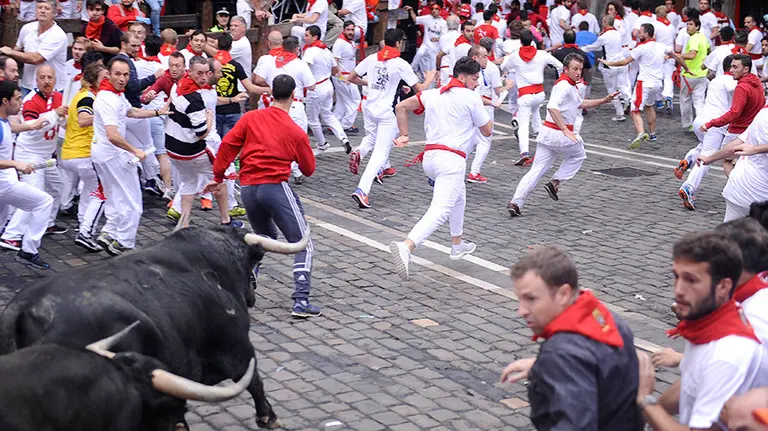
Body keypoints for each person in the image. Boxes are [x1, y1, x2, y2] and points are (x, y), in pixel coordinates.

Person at [205, 74, 320, 318]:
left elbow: (227, 145)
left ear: (269, 94)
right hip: (274, 187)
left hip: (248, 189)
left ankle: (247, 278)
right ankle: (301, 300)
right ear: (292, 96)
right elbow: (309, 169)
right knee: (303, 243)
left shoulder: (251, 117)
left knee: (263, 237)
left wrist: (218, 176)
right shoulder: (294, 130)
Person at [499, 246, 643, 430]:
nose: (521, 311)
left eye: (531, 299)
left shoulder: (562, 354)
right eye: (519, 299)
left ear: (563, 294)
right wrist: (543, 366)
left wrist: (555, 363)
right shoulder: (606, 319)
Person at [635, 231, 768, 430]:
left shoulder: (726, 354)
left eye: (691, 280)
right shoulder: (707, 325)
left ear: (723, 286)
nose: (678, 289)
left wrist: (646, 401)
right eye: (676, 276)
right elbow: (691, 385)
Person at [388, 57, 492, 280]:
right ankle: (407, 245)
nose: (477, 83)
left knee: (459, 195)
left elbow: (401, 106)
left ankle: (457, 243)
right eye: (475, 79)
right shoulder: (471, 97)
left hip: (430, 158)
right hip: (450, 160)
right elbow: (487, 131)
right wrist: (482, 107)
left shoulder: (433, 93)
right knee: (440, 209)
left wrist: (405, 134)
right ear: (462, 77)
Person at [507, 54, 616, 217]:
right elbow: (552, 107)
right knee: (578, 156)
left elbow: (580, 103)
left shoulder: (570, 85)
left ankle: (516, 202)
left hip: (547, 134)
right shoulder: (564, 85)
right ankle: (555, 181)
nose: (578, 72)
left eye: (580, 69)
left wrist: (603, 100)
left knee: (536, 170)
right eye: (575, 69)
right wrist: (565, 129)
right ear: (565, 69)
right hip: (559, 134)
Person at [347, 28, 434, 208]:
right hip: (386, 113)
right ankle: (362, 189)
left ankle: (361, 152)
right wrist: (429, 79)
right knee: (380, 152)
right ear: (398, 43)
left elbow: (351, 77)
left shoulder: (372, 58)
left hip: (369, 108)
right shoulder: (400, 64)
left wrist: (369, 83)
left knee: (371, 138)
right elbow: (421, 90)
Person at [90, 57, 168, 256]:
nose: (122, 78)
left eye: (126, 75)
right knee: (133, 201)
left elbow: (131, 112)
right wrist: (135, 150)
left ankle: (109, 233)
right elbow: (113, 135)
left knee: (115, 196)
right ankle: (123, 242)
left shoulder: (115, 94)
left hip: (104, 154)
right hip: (112, 154)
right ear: (108, 74)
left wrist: (158, 112)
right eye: (118, 74)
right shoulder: (107, 98)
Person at [165, 56, 239, 230]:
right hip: (191, 150)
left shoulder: (179, 86)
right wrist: (210, 118)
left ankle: (183, 223)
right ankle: (226, 220)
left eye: (206, 73)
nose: (204, 77)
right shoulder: (195, 99)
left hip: (172, 149)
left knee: (190, 181)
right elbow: (201, 133)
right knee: (220, 176)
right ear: (189, 72)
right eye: (199, 73)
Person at [0, 65, 67, 255]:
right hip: (27, 155)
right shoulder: (30, 101)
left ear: (55, 79)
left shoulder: (59, 98)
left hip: (45, 155)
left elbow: (21, 127)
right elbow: (32, 125)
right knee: (35, 197)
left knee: (57, 187)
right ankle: (13, 235)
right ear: (36, 80)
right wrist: (54, 115)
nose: (46, 81)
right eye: (42, 77)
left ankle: (46, 222)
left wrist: (63, 120)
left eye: (50, 77)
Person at [600, 23, 682, 148]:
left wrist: (608, 62)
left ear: (646, 34)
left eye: (640, 32)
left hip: (644, 83)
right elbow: (677, 56)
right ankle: (653, 133)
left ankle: (641, 133)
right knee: (649, 106)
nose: (638, 34)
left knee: (634, 109)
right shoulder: (661, 46)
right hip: (657, 84)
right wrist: (687, 68)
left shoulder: (641, 48)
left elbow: (624, 62)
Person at [675, 56, 736, 211]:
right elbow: (734, 90)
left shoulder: (716, 79)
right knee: (708, 156)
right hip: (714, 124)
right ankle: (689, 186)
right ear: (732, 67)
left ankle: (688, 159)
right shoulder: (730, 81)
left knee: (704, 147)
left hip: (701, 120)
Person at [60, 63, 109, 252]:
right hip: (82, 155)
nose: (107, 81)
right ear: (93, 81)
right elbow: (83, 119)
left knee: (90, 191)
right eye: (104, 78)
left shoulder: (81, 94)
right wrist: (104, 115)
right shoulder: (88, 98)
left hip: (72, 153)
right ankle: (86, 232)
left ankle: (82, 225)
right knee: (101, 192)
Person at [254, 36, 316, 184]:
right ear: (296, 49)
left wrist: (271, 85)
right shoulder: (300, 64)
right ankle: (295, 169)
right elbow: (312, 86)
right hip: (295, 104)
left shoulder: (271, 61)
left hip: (275, 104)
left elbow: (258, 80)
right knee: (298, 139)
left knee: (275, 138)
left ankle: (277, 168)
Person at [697, 94, 768, 222]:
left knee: (729, 238)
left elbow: (733, 147)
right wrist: (756, 150)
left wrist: (710, 158)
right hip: (761, 195)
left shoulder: (762, 114)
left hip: (739, 190)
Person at [501, 30, 563, 166]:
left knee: (523, 125)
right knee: (536, 117)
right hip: (539, 94)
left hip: (525, 95)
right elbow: (560, 65)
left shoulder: (515, 56)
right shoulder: (542, 54)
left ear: (521, 42)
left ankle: (524, 152)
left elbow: (503, 66)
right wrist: (559, 81)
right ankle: (545, 148)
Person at [1, 0, 67, 95]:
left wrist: (10, 52)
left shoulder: (58, 35)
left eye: (47, 8)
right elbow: (18, 48)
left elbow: (36, 58)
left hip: (51, 88)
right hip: (27, 85)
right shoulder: (27, 28)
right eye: (39, 8)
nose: (42, 11)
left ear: (54, 13)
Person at [302, 25, 351, 153]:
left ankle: (322, 143)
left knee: (312, 119)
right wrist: (342, 79)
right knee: (328, 115)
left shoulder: (310, 51)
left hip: (316, 88)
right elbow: (336, 70)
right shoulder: (326, 51)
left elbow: (303, 69)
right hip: (328, 86)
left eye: (307, 35)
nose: (304, 38)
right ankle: (343, 138)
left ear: (315, 37)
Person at [583, 14, 630, 122]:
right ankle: (628, 99)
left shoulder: (604, 36)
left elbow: (594, 47)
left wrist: (583, 48)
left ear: (604, 23)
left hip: (609, 65)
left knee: (611, 90)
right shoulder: (618, 34)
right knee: (623, 86)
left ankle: (619, 113)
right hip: (621, 63)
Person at [679, 18, 710, 132]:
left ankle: (688, 124)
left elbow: (692, 55)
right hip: (702, 74)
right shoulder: (703, 37)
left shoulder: (693, 39)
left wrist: (679, 56)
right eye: (687, 24)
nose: (688, 27)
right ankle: (701, 124)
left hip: (689, 74)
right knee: (699, 101)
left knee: (685, 99)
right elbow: (708, 50)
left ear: (697, 26)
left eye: (691, 24)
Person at [332, 21, 362, 134]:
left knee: (342, 101)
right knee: (355, 99)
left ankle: (335, 123)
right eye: (348, 30)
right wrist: (341, 78)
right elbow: (334, 63)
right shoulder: (340, 43)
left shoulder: (349, 42)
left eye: (352, 30)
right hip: (344, 76)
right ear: (343, 30)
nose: (350, 32)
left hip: (347, 76)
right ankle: (346, 125)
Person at [406, 1, 448, 81]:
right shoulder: (427, 18)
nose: (434, 11)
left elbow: (445, 37)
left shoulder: (443, 23)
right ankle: (410, 74)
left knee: (432, 69)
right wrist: (411, 10)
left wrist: (437, 39)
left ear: (440, 11)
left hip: (435, 49)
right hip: (425, 45)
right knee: (418, 55)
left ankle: (432, 84)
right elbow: (415, 20)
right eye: (432, 9)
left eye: (436, 9)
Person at [654, 5, 676, 114]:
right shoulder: (671, 26)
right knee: (668, 77)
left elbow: (653, 39)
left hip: (659, 53)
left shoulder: (656, 25)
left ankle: (658, 100)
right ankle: (668, 97)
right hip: (670, 53)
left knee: (657, 77)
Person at [229, 15, 253, 90]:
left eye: (236, 26)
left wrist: (203, 45)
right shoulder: (234, 40)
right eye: (231, 25)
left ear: (243, 28)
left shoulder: (242, 44)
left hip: (241, 87)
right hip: (233, 86)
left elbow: (219, 55)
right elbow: (217, 43)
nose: (232, 28)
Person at [435, 15, 460, 87]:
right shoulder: (460, 37)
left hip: (444, 67)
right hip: (456, 68)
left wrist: (437, 69)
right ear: (458, 25)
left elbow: (439, 55)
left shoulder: (442, 37)